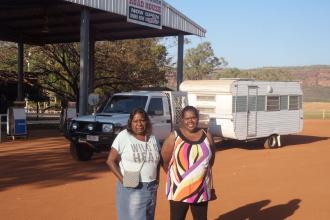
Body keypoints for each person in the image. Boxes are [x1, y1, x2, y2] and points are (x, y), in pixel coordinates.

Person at [161, 105, 216, 220]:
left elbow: (211, 159)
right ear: (182, 119)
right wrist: (178, 178)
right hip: (179, 189)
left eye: (193, 117)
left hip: (201, 189)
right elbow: (165, 161)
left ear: (198, 118)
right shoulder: (174, 136)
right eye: (187, 118)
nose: (190, 121)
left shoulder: (207, 134)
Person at [106, 108, 160, 220]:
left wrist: (157, 179)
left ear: (147, 121)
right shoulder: (124, 136)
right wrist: (123, 180)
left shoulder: (153, 138)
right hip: (133, 187)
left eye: (142, 120)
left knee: (148, 217)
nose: (139, 124)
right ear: (130, 123)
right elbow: (110, 161)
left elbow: (157, 161)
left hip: (151, 187)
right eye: (135, 121)